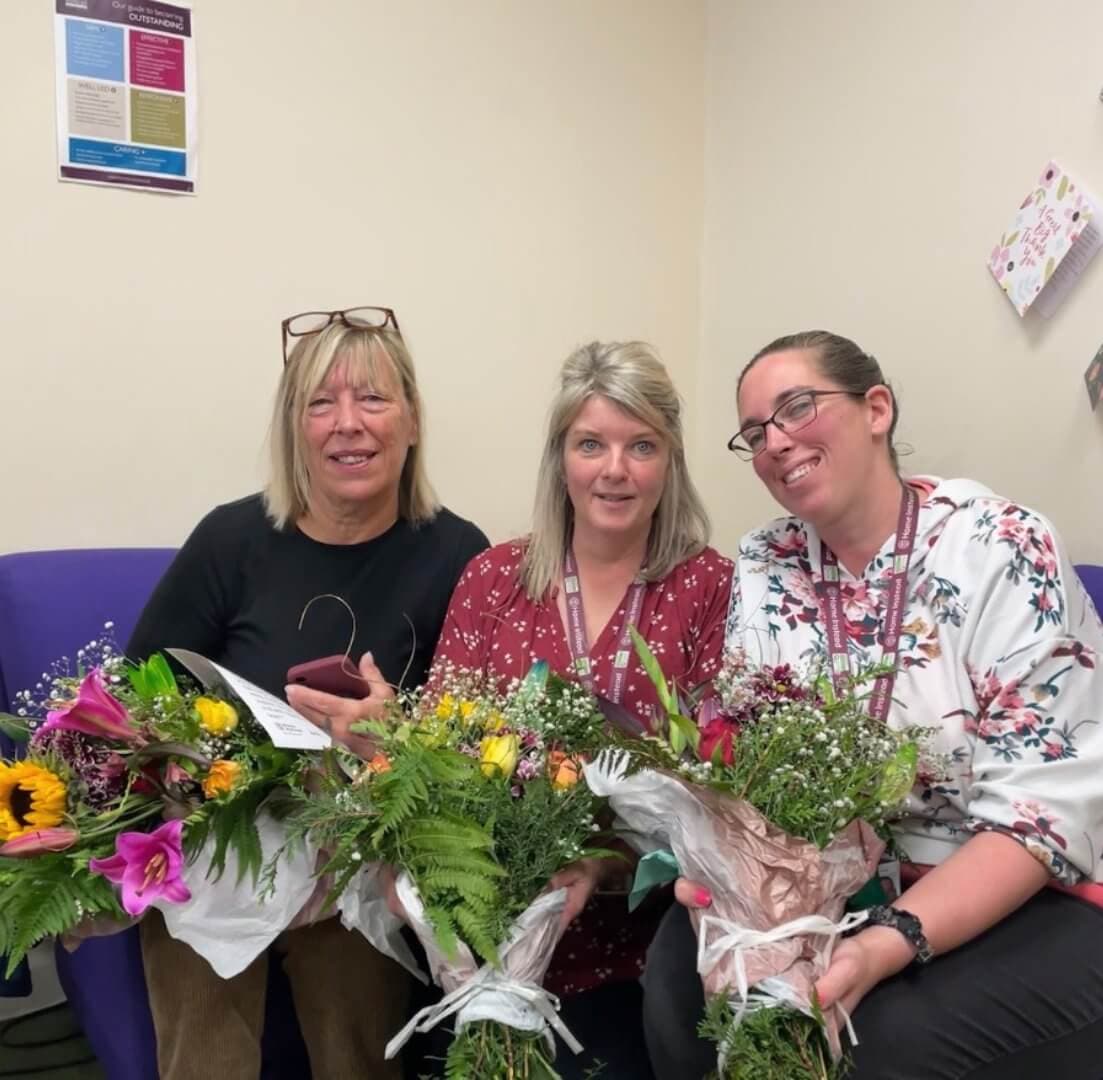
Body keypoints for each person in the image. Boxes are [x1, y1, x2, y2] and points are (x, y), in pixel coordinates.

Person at [641, 330, 1103, 1079]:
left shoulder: (999, 545)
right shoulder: (767, 562)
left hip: (1019, 885)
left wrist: (882, 944)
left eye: (796, 408)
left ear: (876, 408)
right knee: (679, 978)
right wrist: (725, 878)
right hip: (832, 881)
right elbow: (748, 759)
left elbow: (1040, 814)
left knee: (877, 1043)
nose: (776, 442)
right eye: (755, 433)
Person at [127, 307, 488, 1080]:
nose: (347, 426)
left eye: (373, 400)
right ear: (294, 427)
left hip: (362, 860)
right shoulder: (230, 540)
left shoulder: (459, 554)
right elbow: (138, 690)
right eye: (320, 404)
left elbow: (477, 741)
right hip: (221, 853)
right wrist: (189, 769)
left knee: (361, 1057)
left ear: (413, 418)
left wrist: (394, 737)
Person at [428, 340, 734, 1078]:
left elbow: (717, 788)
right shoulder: (494, 577)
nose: (615, 470)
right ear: (560, 458)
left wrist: (595, 866)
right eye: (590, 444)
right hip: (484, 938)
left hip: (636, 947)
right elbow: (435, 748)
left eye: (641, 446)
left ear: (671, 461)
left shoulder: (708, 587)